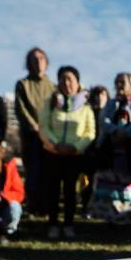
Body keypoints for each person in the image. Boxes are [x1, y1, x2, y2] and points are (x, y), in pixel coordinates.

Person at [39, 65, 95, 239]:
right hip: (52, 153)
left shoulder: (85, 106)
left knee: (71, 191)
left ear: (78, 83)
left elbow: (89, 132)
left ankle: (69, 223)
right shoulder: (51, 103)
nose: (66, 82)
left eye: (70, 79)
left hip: (74, 155)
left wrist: (75, 147)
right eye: (63, 79)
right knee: (52, 191)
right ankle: (53, 224)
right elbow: (43, 126)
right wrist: (55, 145)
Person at [89, 72, 131, 224]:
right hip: (111, 151)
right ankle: (110, 214)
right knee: (110, 183)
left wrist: (125, 132)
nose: (119, 85)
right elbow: (104, 120)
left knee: (130, 185)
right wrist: (115, 131)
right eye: (117, 82)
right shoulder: (111, 103)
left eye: (123, 82)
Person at [14, 47, 54, 213]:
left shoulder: (52, 86)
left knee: (48, 172)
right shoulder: (23, 84)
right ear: (29, 63)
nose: (38, 63)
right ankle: (33, 204)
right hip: (31, 136)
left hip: (50, 137)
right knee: (32, 172)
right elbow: (21, 109)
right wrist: (35, 128)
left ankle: (46, 205)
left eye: (41, 59)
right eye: (34, 59)